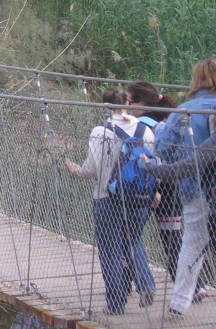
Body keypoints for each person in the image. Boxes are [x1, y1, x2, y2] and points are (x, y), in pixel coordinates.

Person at [65, 87, 155, 316]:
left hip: (106, 198)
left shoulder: (100, 131)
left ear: (104, 106)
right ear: (126, 103)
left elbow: (90, 170)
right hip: (139, 198)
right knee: (133, 241)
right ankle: (146, 285)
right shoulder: (146, 131)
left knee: (110, 251)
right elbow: (152, 164)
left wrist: (76, 170)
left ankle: (115, 304)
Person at [127, 82, 207, 303]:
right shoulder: (167, 121)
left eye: (129, 101)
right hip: (175, 186)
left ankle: (127, 287)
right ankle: (197, 287)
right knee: (174, 239)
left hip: (151, 186)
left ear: (142, 103)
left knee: (130, 236)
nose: (126, 106)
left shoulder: (138, 126)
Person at [155, 57, 216, 317]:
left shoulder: (184, 112)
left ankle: (179, 304)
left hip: (194, 188)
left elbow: (163, 151)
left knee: (192, 243)